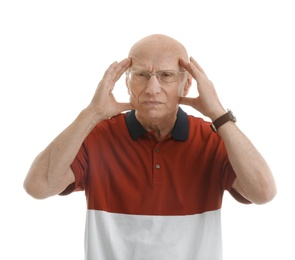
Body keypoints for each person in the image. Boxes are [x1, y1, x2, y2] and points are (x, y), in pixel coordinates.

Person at [24, 34, 277, 260]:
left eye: (166, 75)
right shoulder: (96, 136)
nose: (152, 88)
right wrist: (91, 114)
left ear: (186, 84)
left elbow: (264, 192)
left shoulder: (212, 138)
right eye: (141, 75)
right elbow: (37, 186)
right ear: (127, 82)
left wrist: (219, 115)